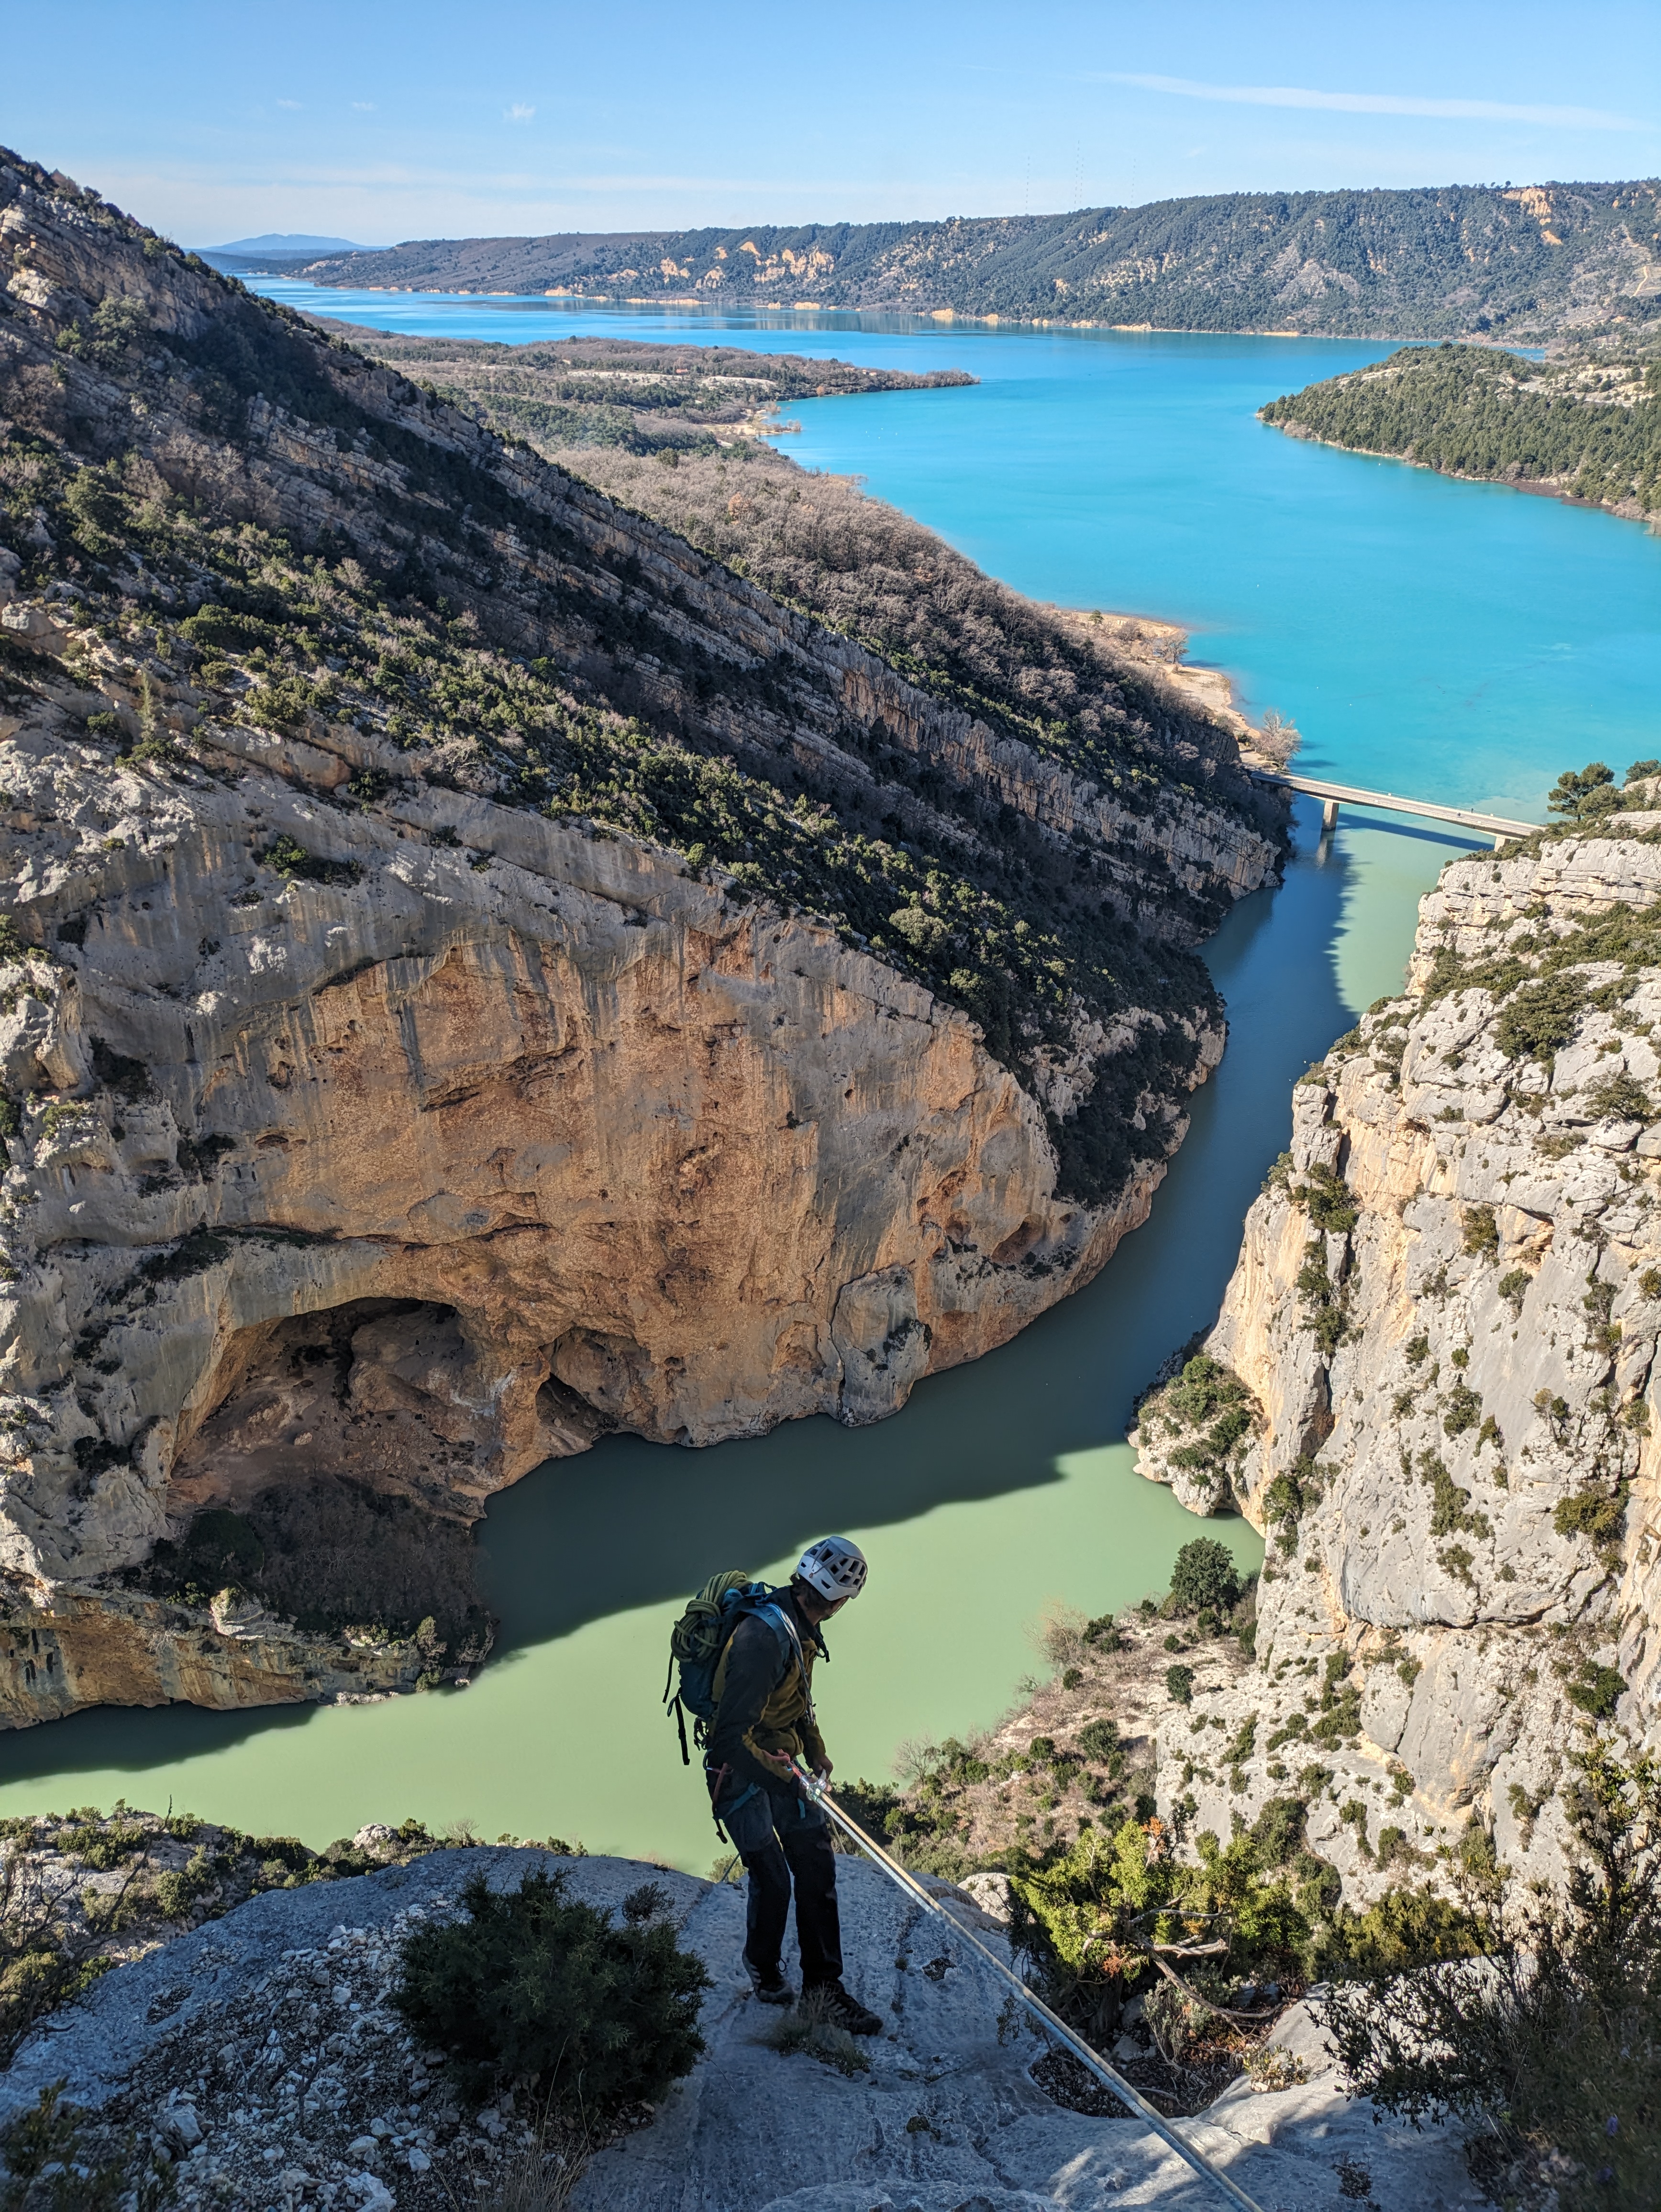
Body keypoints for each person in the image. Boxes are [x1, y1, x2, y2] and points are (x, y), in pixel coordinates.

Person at [704, 1535, 882, 2034]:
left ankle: (824, 1989)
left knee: (816, 1867)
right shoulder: (764, 1638)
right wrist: (788, 1778)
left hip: (785, 1764)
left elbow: (798, 1698)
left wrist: (816, 1747)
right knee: (774, 1877)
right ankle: (763, 1969)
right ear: (842, 1600)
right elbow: (727, 1741)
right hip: (741, 1773)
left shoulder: (797, 1624)